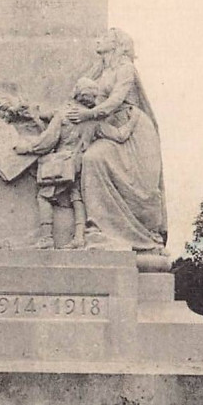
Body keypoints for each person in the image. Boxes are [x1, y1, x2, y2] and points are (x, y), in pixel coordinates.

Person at [65, 28, 168, 252]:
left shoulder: (125, 68)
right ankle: (97, 227)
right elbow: (78, 91)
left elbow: (115, 101)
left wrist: (87, 115)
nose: (99, 39)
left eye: (105, 38)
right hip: (108, 126)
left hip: (132, 130)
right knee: (91, 160)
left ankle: (138, 232)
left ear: (116, 45)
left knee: (130, 182)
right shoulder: (101, 68)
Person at [14, 78, 100, 249]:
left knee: (44, 196)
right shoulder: (93, 120)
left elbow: (47, 141)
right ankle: (79, 237)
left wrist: (26, 147)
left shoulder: (64, 115)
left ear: (76, 92)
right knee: (77, 197)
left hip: (61, 163)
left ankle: (46, 238)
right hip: (80, 163)